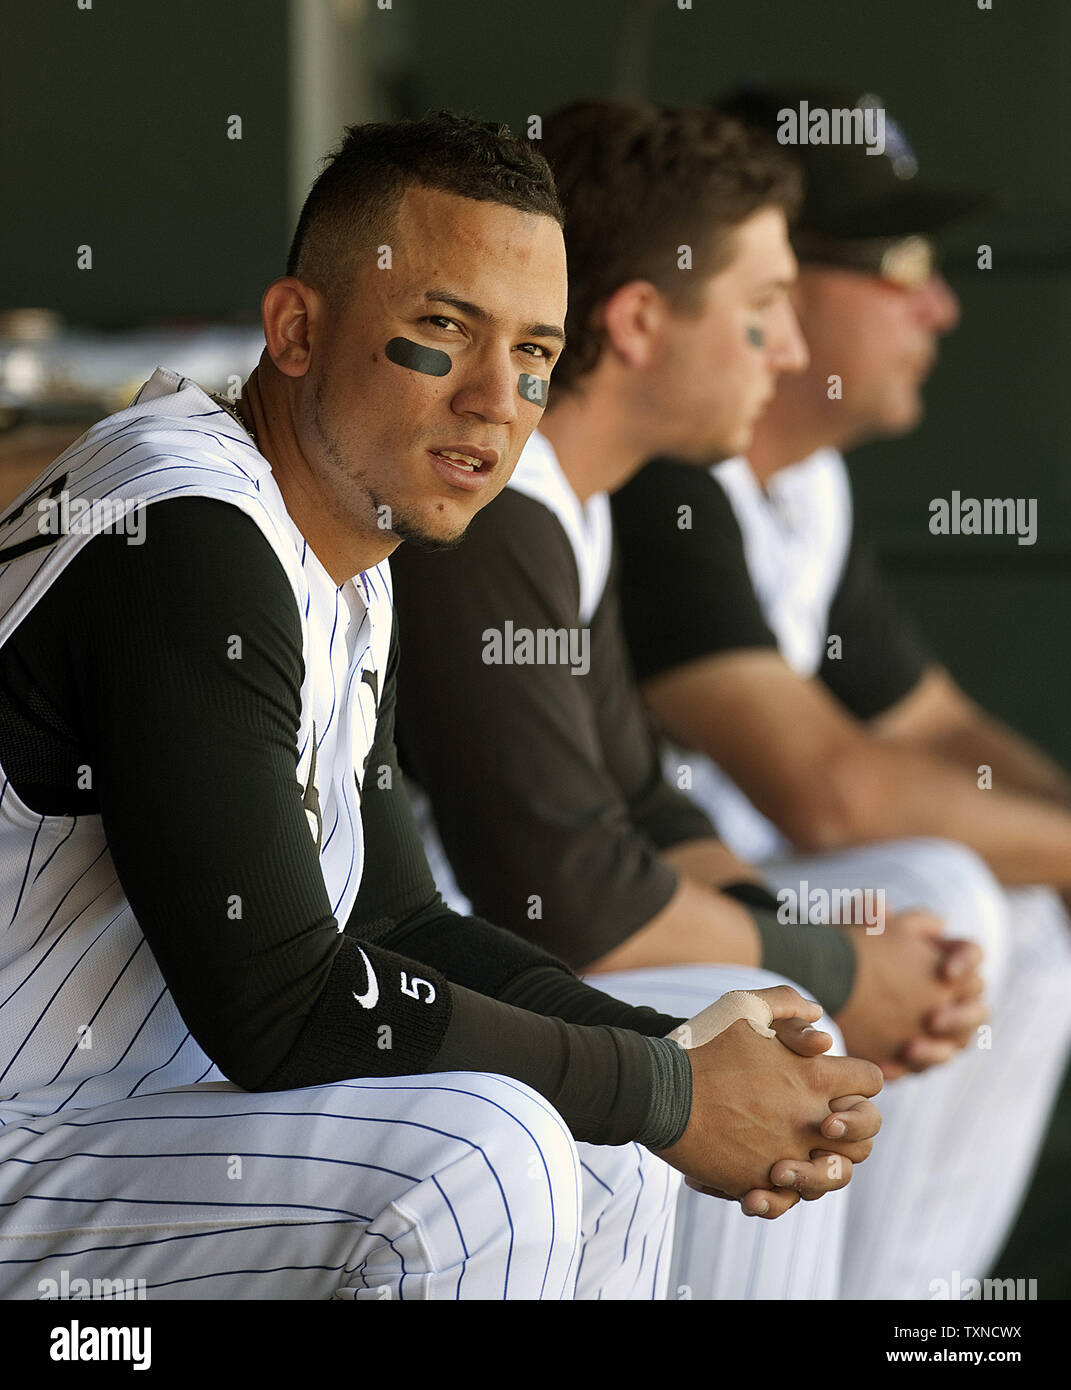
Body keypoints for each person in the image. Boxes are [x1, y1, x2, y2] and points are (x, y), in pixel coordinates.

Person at [0, 110, 881, 1302]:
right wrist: (670, 1093)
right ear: (298, 329)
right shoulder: (185, 530)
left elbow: (401, 918)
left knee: (603, 1136)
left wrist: (666, 1058)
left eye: (532, 356)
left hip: (109, 1133)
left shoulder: (343, 549)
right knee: (485, 1154)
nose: (495, 398)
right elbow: (283, 1004)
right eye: (444, 330)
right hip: (33, 1134)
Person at [391, 99, 969, 1300]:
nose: (789, 350)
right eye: (762, 310)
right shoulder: (501, 506)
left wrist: (824, 942)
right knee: (776, 1012)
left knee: (813, 985)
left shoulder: (578, 499)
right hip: (408, 1000)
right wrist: (838, 963)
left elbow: (649, 812)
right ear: (645, 320)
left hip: (479, 983)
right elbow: (579, 893)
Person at [611, 82, 1071, 1297]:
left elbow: (938, 726)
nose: (941, 301)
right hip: (600, 931)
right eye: (896, 260)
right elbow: (834, 793)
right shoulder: (659, 478)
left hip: (706, 910)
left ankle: (909, 1307)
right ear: (773, 276)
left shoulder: (805, 486)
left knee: (1020, 915)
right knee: (946, 888)